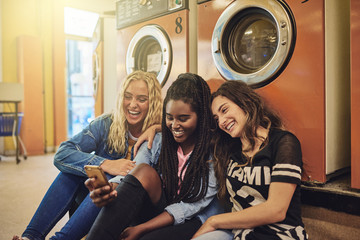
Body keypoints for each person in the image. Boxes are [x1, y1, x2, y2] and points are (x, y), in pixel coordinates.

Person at [12, 70, 163, 240]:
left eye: (141, 99)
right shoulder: (106, 124)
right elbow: (62, 153)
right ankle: (30, 237)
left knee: (104, 180)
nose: (132, 104)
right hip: (95, 201)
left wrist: (157, 127)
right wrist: (105, 163)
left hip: (131, 209)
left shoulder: (157, 137)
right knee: (72, 172)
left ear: (153, 103)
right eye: (128, 96)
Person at [85, 73, 224, 240]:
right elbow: (134, 171)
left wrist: (141, 229)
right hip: (160, 206)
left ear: (201, 116)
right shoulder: (158, 140)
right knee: (143, 170)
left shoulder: (214, 152)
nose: (174, 125)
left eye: (183, 118)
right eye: (169, 117)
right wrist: (109, 190)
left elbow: (191, 206)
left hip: (191, 217)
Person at [192, 80, 308, 240]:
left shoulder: (284, 142)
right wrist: (155, 127)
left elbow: (277, 210)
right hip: (240, 234)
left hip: (280, 235)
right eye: (217, 118)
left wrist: (214, 221)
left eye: (224, 110)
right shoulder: (228, 150)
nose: (222, 121)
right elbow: (186, 130)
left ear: (244, 102)